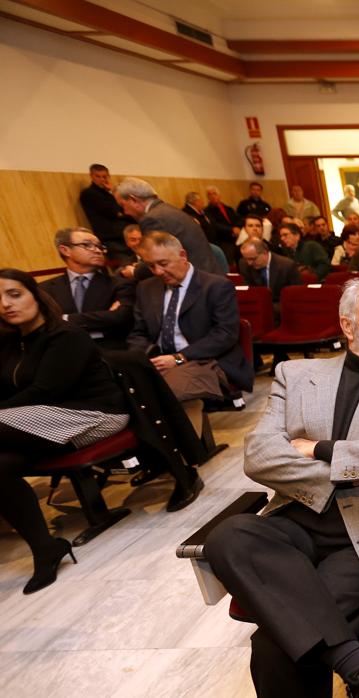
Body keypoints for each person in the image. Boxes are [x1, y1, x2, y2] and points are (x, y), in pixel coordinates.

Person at [204, 276, 359, 698]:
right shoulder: (295, 375)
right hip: (297, 518)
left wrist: (316, 448)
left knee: (275, 644)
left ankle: (357, 666)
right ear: (348, 326)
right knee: (227, 536)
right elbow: (259, 457)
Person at [0, 269, 129, 593]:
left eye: (14, 294)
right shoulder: (10, 342)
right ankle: (46, 548)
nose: (5, 304)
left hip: (93, 415)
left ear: (35, 294)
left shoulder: (66, 335)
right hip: (39, 420)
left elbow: (45, 391)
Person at [129, 232, 253, 451]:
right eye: (151, 266)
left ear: (182, 255)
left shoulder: (215, 286)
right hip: (158, 360)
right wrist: (142, 359)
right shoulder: (146, 288)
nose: (158, 272)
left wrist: (178, 358)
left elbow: (225, 334)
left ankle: (187, 457)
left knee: (172, 391)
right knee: (129, 391)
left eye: (163, 263)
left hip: (205, 359)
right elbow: (138, 333)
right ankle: (155, 455)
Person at [40, 227, 135, 349]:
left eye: (100, 247)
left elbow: (120, 317)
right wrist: (104, 316)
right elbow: (44, 325)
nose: (97, 251)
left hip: (109, 351)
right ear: (65, 250)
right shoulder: (45, 289)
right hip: (64, 352)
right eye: (87, 245)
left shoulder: (120, 284)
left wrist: (64, 318)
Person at [115, 177, 223, 275]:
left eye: (123, 206)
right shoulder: (168, 210)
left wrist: (134, 271)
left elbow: (157, 259)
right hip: (208, 277)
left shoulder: (152, 219)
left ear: (133, 199)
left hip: (197, 284)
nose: (125, 212)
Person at [78, 164, 135, 262]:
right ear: (91, 176)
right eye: (98, 176)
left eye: (104, 176)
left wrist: (112, 193)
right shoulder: (89, 193)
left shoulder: (109, 194)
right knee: (125, 266)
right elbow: (114, 212)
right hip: (111, 238)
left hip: (125, 235)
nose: (102, 179)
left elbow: (125, 209)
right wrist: (122, 213)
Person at [239, 239, 303, 319]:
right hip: (257, 311)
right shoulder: (244, 264)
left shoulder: (287, 266)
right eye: (246, 259)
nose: (249, 263)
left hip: (282, 313)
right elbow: (249, 292)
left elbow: (296, 296)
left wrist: (270, 308)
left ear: (265, 253)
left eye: (253, 259)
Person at [204, 186, 241, 262]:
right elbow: (215, 225)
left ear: (219, 195)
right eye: (209, 194)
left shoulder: (228, 208)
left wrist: (237, 228)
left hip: (236, 237)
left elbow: (239, 219)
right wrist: (232, 230)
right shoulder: (207, 211)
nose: (212, 196)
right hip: (222, 240)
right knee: (228, 261)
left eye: (214, 194)